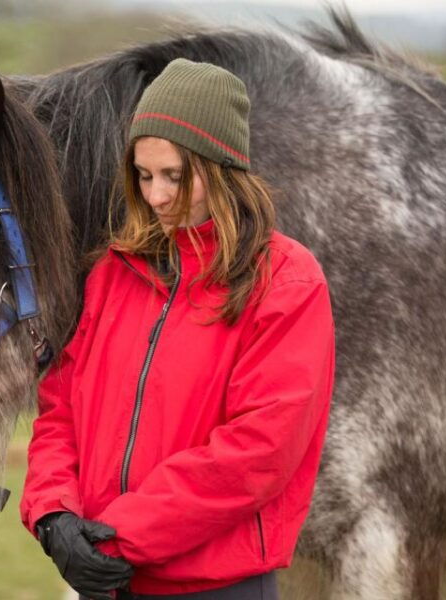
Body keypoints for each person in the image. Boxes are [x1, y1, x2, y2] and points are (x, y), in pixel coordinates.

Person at [20, 59, 336, 600]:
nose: (156, 197)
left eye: (174, 177)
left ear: (221, 172)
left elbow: (259, 451)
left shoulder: (285, 279)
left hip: (215, 587)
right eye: (144, 176)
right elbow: (61, 411)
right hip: (104, 579)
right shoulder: (112, 273)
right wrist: (52, 514)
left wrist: (119, 538)